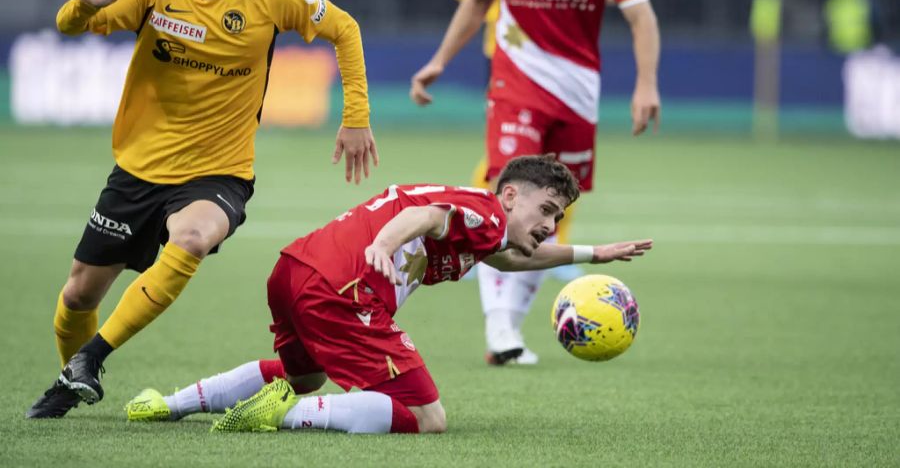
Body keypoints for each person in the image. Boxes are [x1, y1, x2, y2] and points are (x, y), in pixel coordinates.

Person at [26, 0, 378, 419]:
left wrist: (356, 117)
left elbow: (345, 28)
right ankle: (71, 378)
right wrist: (81, 5)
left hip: (219, 173)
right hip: (138, 171)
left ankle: (92, 357)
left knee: (190, 237)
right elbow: (71, 26)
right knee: (78, 296)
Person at [123, 155, 653, 434]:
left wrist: (591, 253)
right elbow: (425, 218)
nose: (550, 224)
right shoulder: (486, 211)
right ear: (511, 194)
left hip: (294, 271)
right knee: (426, 418)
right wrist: (383, 243)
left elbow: (512, 258)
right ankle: (277, 417)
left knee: (305, 376)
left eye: (558, 218)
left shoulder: (489, 229)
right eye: (546, 210)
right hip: (345, 290)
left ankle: (166, 405)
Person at [410, 0, 660, 366]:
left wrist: (646, 82)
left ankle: (510, 327)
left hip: (576, 95)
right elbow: (477, 1)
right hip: (514, 86)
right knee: (510, 201)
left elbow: (641, 16)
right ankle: (499, 328)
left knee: (551, 210)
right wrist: (440, 59)